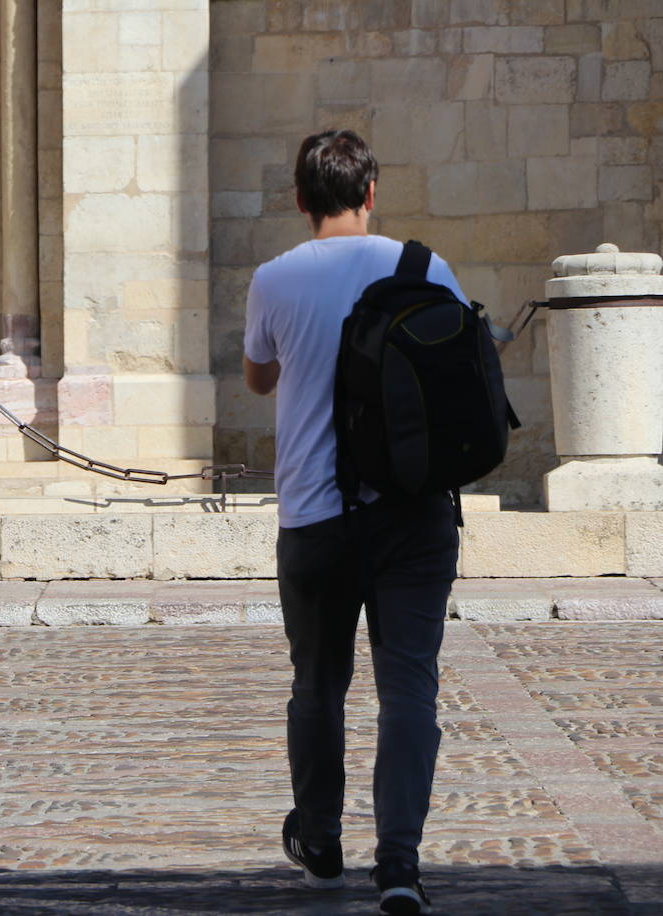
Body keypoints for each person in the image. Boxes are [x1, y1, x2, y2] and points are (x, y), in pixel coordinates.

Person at [243, 129, 462, 916]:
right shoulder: (424, 267)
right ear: (372, 194)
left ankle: (322, 840)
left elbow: (259, 377)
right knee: (410, 690)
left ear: (300, 201)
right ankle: (400, 864)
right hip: (414, 512)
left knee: (318, 685)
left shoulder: (274, 279)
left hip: (315, 516)